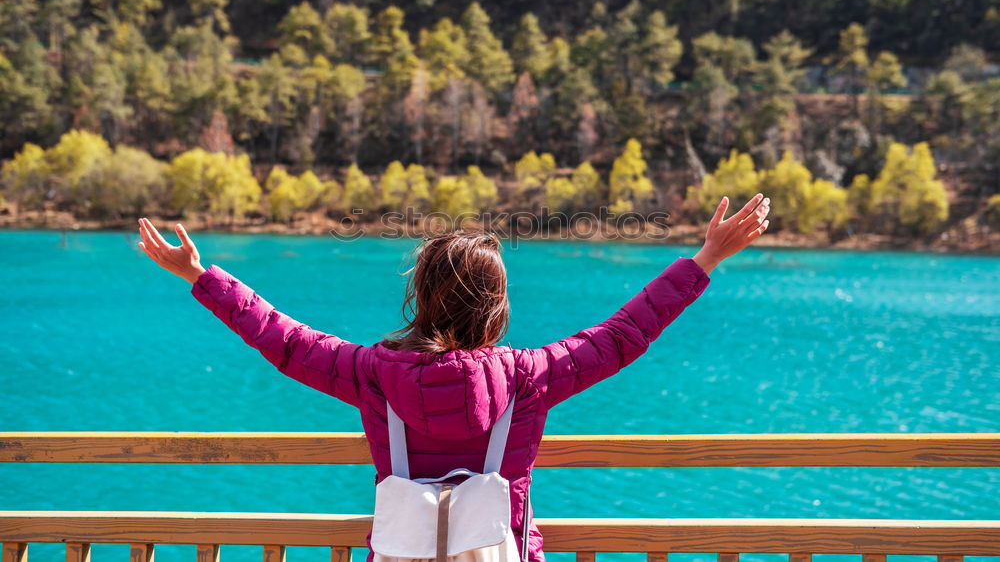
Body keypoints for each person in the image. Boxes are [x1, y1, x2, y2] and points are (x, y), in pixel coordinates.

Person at [136, 193, 770, 562]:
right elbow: (623, 335)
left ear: (423, 296)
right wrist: (705, 257)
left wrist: (200, 276)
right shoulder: (529, 376)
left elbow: (280, 337)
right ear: (494, 306)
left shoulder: (370, 373)